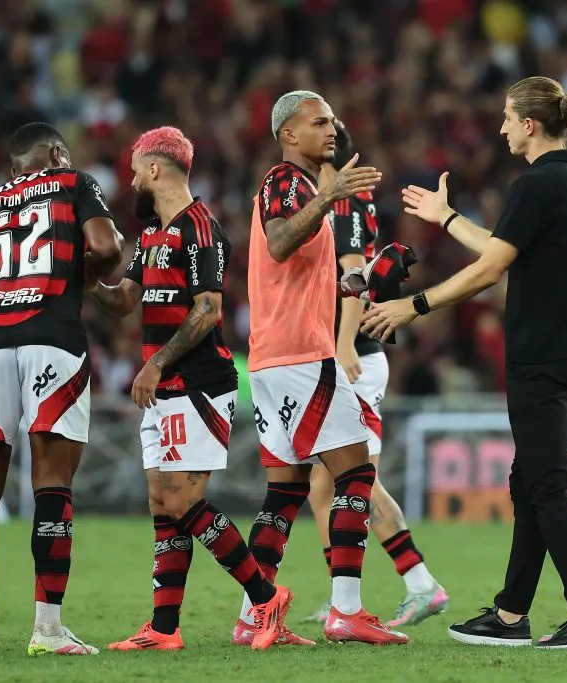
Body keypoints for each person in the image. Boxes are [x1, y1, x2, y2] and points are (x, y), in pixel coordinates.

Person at [363, 77, 567, 649]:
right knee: (529, 482)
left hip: (541, 356)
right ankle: (509, 615)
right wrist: (448, 218)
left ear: (529, 124)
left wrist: (413, 305)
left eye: (506, 117)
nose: (501, 128)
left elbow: (490, 269)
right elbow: (506, 250)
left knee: (547, 486)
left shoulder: (535, 185)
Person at [88, 126, 296, 652]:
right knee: (163, 503)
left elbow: (208, 310)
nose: (131, 181)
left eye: (135, 171)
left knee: (183, 500)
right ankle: (164, 629)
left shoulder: (200, 228)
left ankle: (265, 597)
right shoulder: (152, 234)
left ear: (155, 168)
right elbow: (125, 300)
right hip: (163, 386)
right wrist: (84, 279)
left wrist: (156, 363)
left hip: (196, 382)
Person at [233, 90, 409, 646]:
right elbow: (281, 243)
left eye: (332, 120)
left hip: (273, 357)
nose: (331, 129)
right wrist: (329, 195)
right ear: (288, 134)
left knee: (285, 492)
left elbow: (305, 276)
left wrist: (368, 278)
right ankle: (346, 611)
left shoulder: (300, 190)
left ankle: (252, 615)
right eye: (318, 122)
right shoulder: (285, 180)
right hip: (301, 356)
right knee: (355, 474)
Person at [0, 122, 124, 656]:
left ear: (13, 167)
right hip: (52, 338)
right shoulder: (73, 183)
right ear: (57, 153)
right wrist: (89, 273)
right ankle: (47, 630)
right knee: (52, 483)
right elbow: (105, 246)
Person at [301, 120, 449, 627]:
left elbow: (352, 274)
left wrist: (344, 342)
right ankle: (344, 597)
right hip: (345, 354)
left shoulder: (343, 202)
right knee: (325, 488)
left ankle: (420, 584)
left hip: (355, 356)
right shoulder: (332, 200)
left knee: (354, 480)